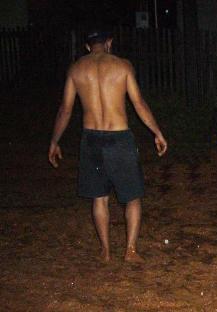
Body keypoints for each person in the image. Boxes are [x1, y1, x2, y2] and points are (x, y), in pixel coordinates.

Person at [48, 29, 168, 263]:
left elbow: (65, 109)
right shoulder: (122, 66)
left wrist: (54, 141)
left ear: (87, 46)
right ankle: (130, 250)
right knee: (132, 197)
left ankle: (105, 251)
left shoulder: (76, 69)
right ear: (109, 42)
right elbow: (138, 103)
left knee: (99, 198)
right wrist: (157, 132)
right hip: (119, 138)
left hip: (91, 139)